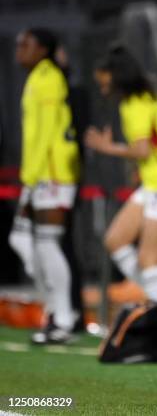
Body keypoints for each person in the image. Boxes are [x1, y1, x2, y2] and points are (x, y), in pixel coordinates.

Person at [85, 45, 157, 314]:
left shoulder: (135, 104)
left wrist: (107, 147)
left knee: (148, 259)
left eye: (104, 81)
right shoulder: (150, 97)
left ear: (116, 75)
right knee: (115, 240)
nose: (102, 87)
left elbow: (143, 149)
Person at [8, 28, 80, 344]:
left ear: (42, 49)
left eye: (25, 44)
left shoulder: (49, 76)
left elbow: (50, 132)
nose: (18, 48)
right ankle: (56, 309)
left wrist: (33, 176)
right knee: (21, 240)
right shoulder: (38, 75)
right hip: (39, 174)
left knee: (48, 244)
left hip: (52, 174)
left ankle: (63, 318)